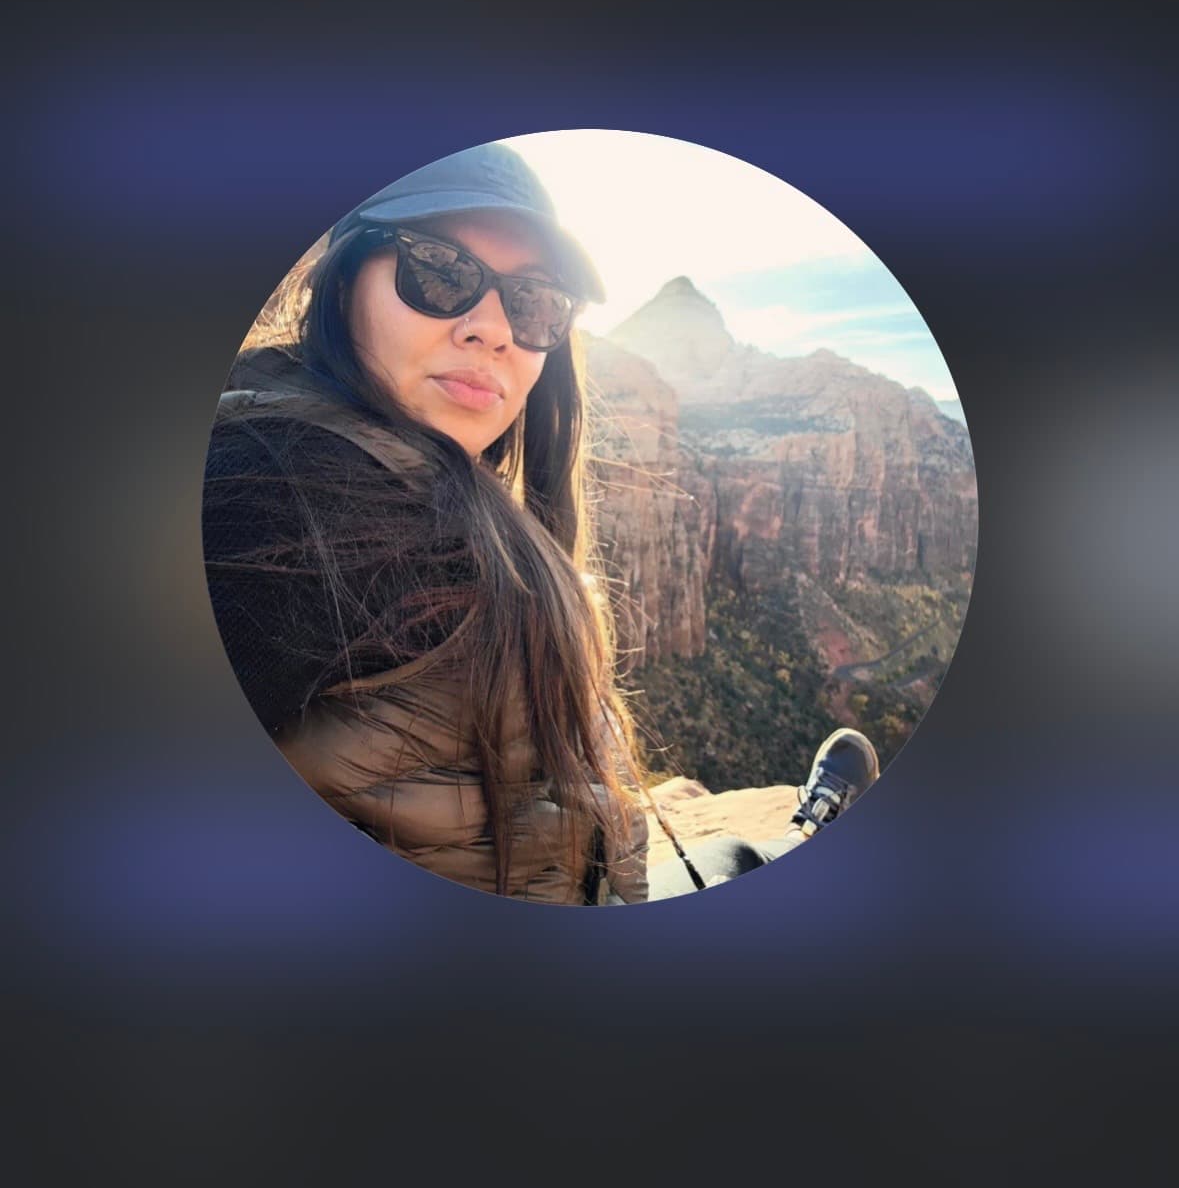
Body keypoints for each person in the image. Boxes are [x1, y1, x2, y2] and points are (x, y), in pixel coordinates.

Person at [202, 139, 879, 906]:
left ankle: (809, 824)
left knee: (731, 855)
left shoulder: (429, 475)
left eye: (533, 302)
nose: (492, 328)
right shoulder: (274, 482)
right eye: (439, 271)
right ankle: (815, 825)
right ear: (344, 275)